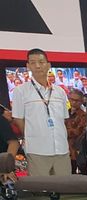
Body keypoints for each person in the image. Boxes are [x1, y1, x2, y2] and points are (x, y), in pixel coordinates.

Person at [11, 48, 70, 176]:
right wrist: (33, 135)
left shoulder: (60, 91)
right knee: (41, 187)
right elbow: (18, 119)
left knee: (65, 186)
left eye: (41, 62)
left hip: (62, 149)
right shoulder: (20, 91)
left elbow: (64, 119)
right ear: (28, 66)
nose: (38, 66)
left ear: (48, 65)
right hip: (37, 150)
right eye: (33, 62)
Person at [65, 89, 87, 175]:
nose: (73, 102)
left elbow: (78, 131)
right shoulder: (65, 113)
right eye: (71, 99)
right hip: (65, 151)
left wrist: (63, 132)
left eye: (77, 100)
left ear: (81, 101)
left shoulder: (84, 115)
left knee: (82, 175)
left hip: (78, 151)